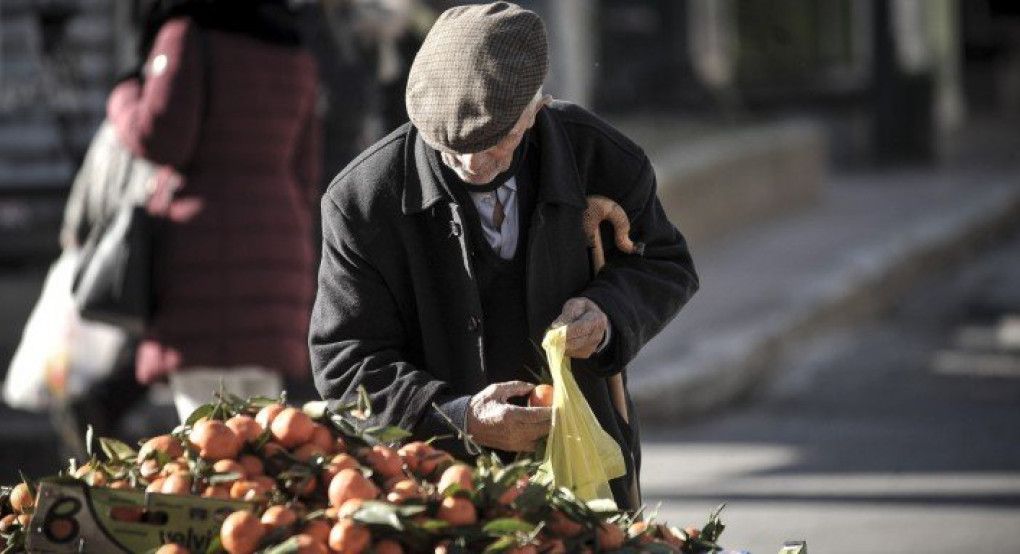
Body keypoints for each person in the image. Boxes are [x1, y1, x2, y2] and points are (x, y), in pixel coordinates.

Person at [309, 2, 697, 510]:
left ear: (535, 108)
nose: (471, 161)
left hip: (585, 471)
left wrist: (608, 314)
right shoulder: (363, 200)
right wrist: (457, 416)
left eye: (495, 140)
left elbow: (664, 263)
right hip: (438, 487)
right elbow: (345, 359)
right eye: (449, 146)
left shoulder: (596, 155)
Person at [108, 0, 321, 421]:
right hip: (279, 249)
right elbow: (307, 170)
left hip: (202, 253)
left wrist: (125, 97)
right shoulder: (292, 48)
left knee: (205, 437)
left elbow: (162, 135)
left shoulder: (188, 34)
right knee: (260, 434)